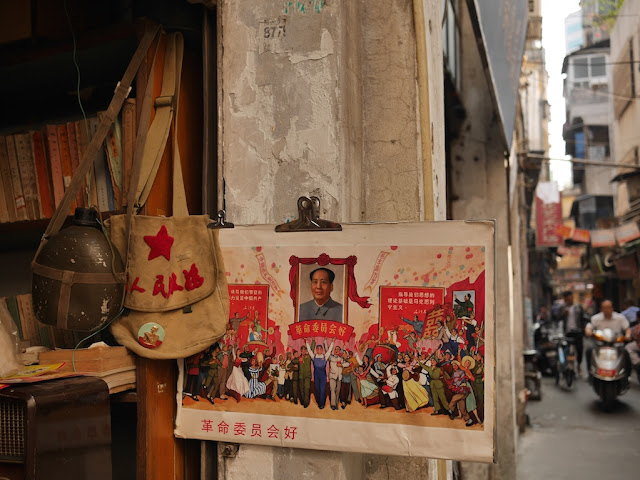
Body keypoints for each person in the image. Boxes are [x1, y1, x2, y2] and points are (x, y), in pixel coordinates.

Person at [585, 299, 632, 375]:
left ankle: (627, 376)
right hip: (600, 345)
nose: (606, 310)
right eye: (604, 307)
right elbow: (589, 326)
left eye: (608, 307)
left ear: (612, 308)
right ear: (601, 309)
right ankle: (590, 373)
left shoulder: (620, 317)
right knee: (589, 351)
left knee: (626, 353)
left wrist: (628, 335)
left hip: (616, 344)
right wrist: (588, 331)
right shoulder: (596, 318)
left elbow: (627, 328)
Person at [306, 338, 334, 409]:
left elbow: (330, 350)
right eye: (317, 349)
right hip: (316, 376)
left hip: (323, 376)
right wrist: (306, 341)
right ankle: (319, 401)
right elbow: (309, 350)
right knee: (317, 390)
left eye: (320, 349)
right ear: (316, 350)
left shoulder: (325, 356)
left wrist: (333, 342)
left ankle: (322, 404)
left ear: (322, 350)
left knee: (322, 390)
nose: (319, 350)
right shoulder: (314, 356)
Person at [562, 291, 585, 375]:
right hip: (568, 332)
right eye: (567, 298)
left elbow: (583, 319)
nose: (569, 300)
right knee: (569, 350)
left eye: (570, 297)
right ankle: (570, 366)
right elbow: (557, 317)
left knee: (579, 350)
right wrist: (563, 314)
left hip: (578, 331)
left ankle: (579, 365)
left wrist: (583, 330)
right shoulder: (563, 308)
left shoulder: (578, 307)